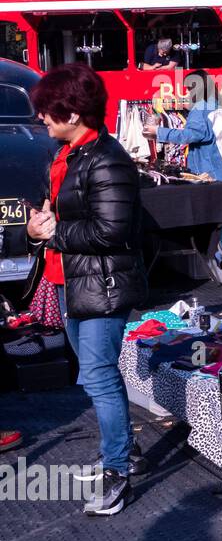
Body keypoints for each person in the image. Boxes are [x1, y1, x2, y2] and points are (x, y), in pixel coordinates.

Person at [25, 63, 148, 516]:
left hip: (102, 287)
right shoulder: (68, 155)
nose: (42, 118)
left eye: (48, 111)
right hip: (73, 282)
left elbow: (111, 231)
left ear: (74, 113)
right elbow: (58, 218)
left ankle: (118, 472)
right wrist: (39, 231)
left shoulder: (107, 159)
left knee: (98, 376)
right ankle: (124, 453)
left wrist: (51, 233)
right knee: (96, 374)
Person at [144, 70, 222, 199]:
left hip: (219, 171)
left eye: (188, 89)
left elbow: (190, 135)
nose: (186, 93)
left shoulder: (201, 107)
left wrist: (158, 131)